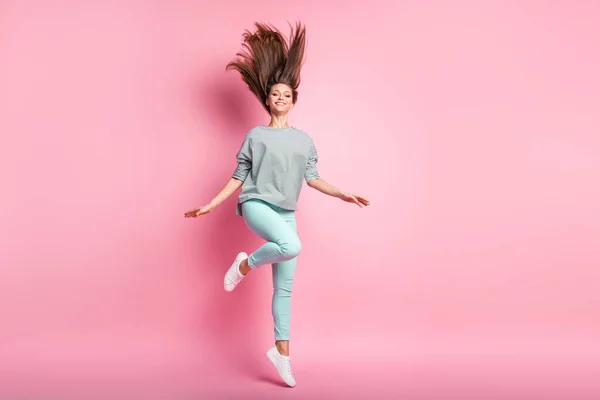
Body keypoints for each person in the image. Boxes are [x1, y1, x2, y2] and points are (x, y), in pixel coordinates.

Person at [184, 22, 369, 388]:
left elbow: (313, 178)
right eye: (275, 94)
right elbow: (238, 177)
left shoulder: (304, 140)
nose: (281, 98)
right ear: (267, 100)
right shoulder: (255, 135)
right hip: (256, 204)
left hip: (286, 212)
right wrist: (210, 204)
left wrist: (342, 192)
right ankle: (245, 263)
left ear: (293, 100)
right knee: (291, 246)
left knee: (284, 290)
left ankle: (281, 354)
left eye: (287, 94)